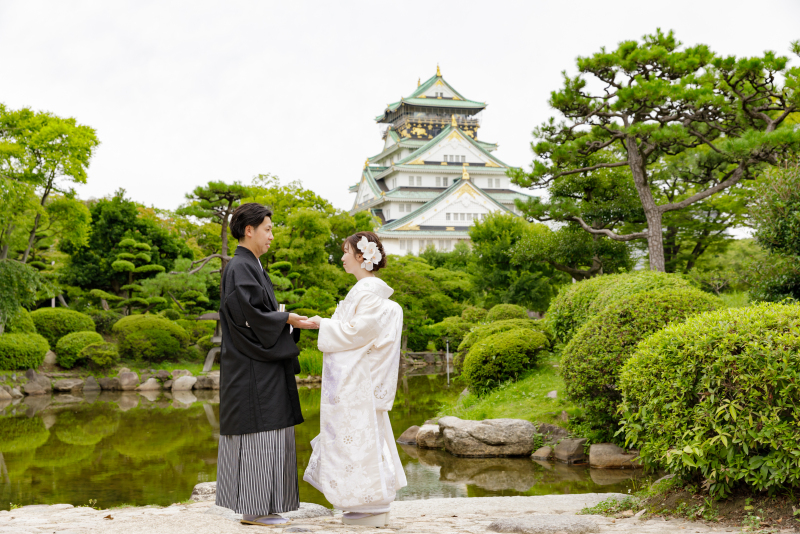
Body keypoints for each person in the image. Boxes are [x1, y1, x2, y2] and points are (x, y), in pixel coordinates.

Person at [215, 203, 317, 527]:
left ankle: (267, 506)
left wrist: (287, 321)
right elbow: (250, 317)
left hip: (261, 368)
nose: (272, 235)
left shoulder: (253, 266)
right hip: (251, 372)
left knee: (272, 434)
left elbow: (258, 314)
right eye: (268, 228)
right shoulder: (240, 267)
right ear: (250, 230)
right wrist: (286, 318)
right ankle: (254, 510)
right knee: (260, 435)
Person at [303, 231, 407, 528]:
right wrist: (328, 325)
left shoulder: (366, 291)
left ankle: (369, 501)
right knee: (368, 440)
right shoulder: (368, 291)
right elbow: (355, 332)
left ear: (362, 256)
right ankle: (368, 501)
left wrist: (321, 324)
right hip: (362, 379)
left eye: (346, 251)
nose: (343, 257)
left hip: (359, 380)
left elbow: (356, 333)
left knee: (363, 441)